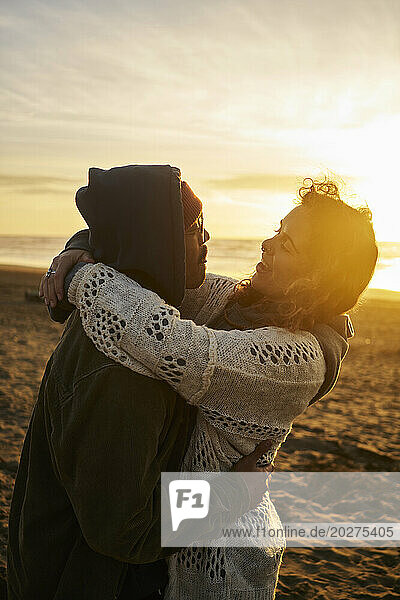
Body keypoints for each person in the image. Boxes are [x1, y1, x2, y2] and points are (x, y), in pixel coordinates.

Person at [40, 173, 377, 599]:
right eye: (277, 231)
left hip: (217, 562)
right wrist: (82, 245)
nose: (266, 245)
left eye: (286, 244)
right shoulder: (244, 303)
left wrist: (84, 278)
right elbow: (165, 263)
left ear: (316, 276)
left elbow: (179, 345)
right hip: (170, 536)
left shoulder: (298, 361)